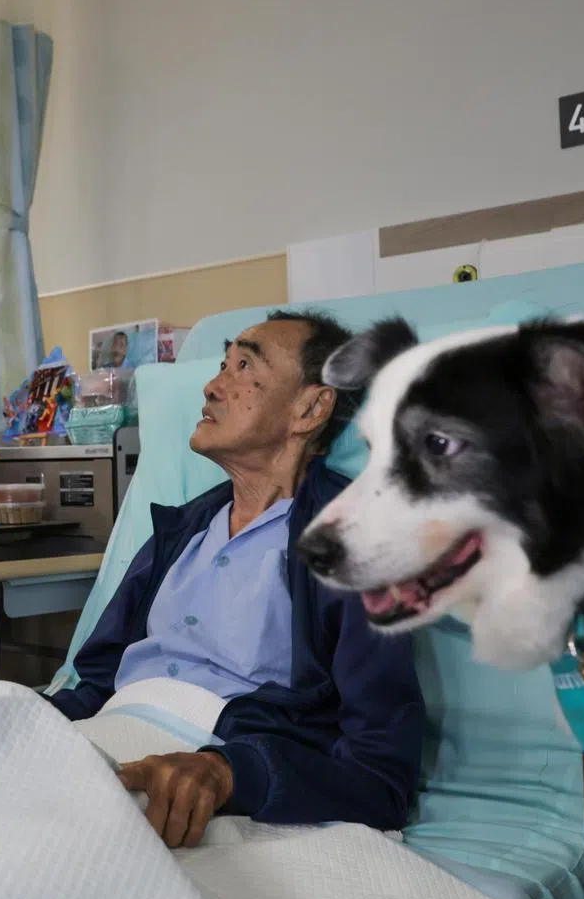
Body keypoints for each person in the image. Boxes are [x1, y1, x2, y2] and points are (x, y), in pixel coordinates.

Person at [49, 310, 426, 848]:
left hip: (211, 784)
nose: (211, 386)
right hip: (102, 749)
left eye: (243, 365)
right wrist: (19, 720)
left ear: (311, 407)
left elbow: (380, 774)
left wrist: (230, 774)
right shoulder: (180, 532)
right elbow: (93, 687)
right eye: (222, 365)